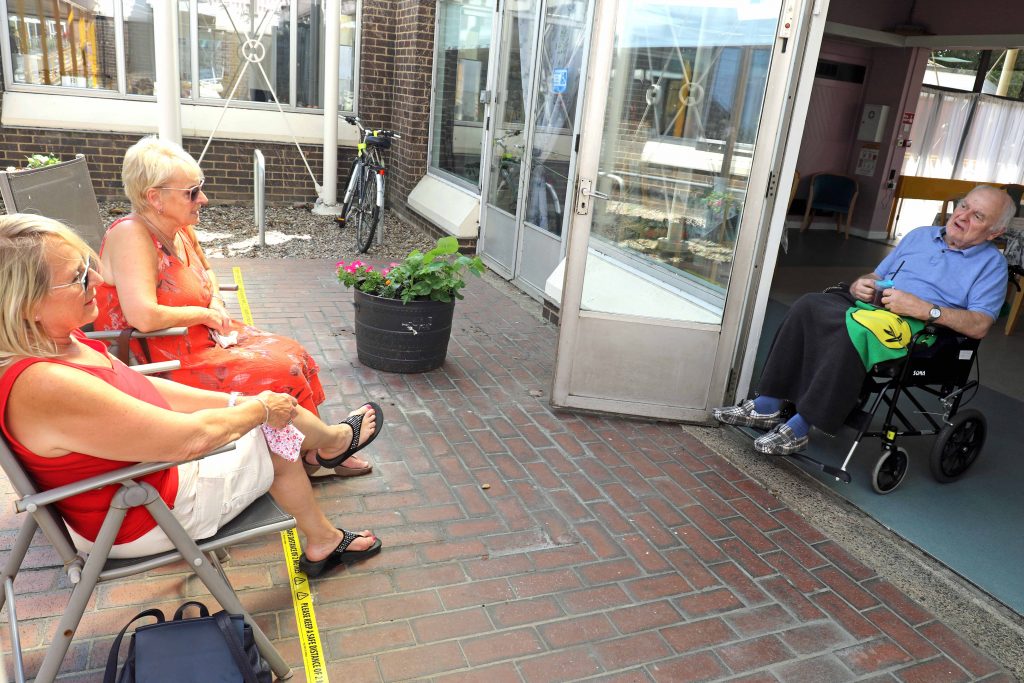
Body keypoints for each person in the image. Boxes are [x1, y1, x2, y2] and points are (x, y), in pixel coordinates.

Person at [0, 214, 380, 575]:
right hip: (143, 512)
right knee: (276, 430)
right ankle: (325, 526)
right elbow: (188, 440)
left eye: (89, 264)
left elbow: (137, 385)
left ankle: (330, 449)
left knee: (266, 407)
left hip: (139, 485)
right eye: (79, 277)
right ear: (27, 304)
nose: (98, 279)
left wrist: (238, 402)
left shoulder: (51, 341)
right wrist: (258, 411)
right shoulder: (46, 383)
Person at [93, 135, 367, 478]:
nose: (203, 199)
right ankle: (323, 447)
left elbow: (206, 269)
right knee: (282, 368)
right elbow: (144, 316)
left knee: (292, 352)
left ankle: (311, 453)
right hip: (165, 359)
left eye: (200, 188)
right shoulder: (131, 236)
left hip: (200, 339)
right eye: (192, 192)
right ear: (154, 198)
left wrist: (216, 301)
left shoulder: (178, 228)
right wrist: (206, 313)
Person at [714, 184, 1014, 455]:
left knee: (853, 330)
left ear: (994, 233)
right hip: (875, 305)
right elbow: (877, 275)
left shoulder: (992, 266)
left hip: (918, 326)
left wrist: (926, 309)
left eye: (978, 216)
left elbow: (980, 324)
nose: (963, 216)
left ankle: (801, 427)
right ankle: (766, 406)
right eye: (964, 205)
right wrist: (863, 283)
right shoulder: (920, 235)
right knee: (808, 306)